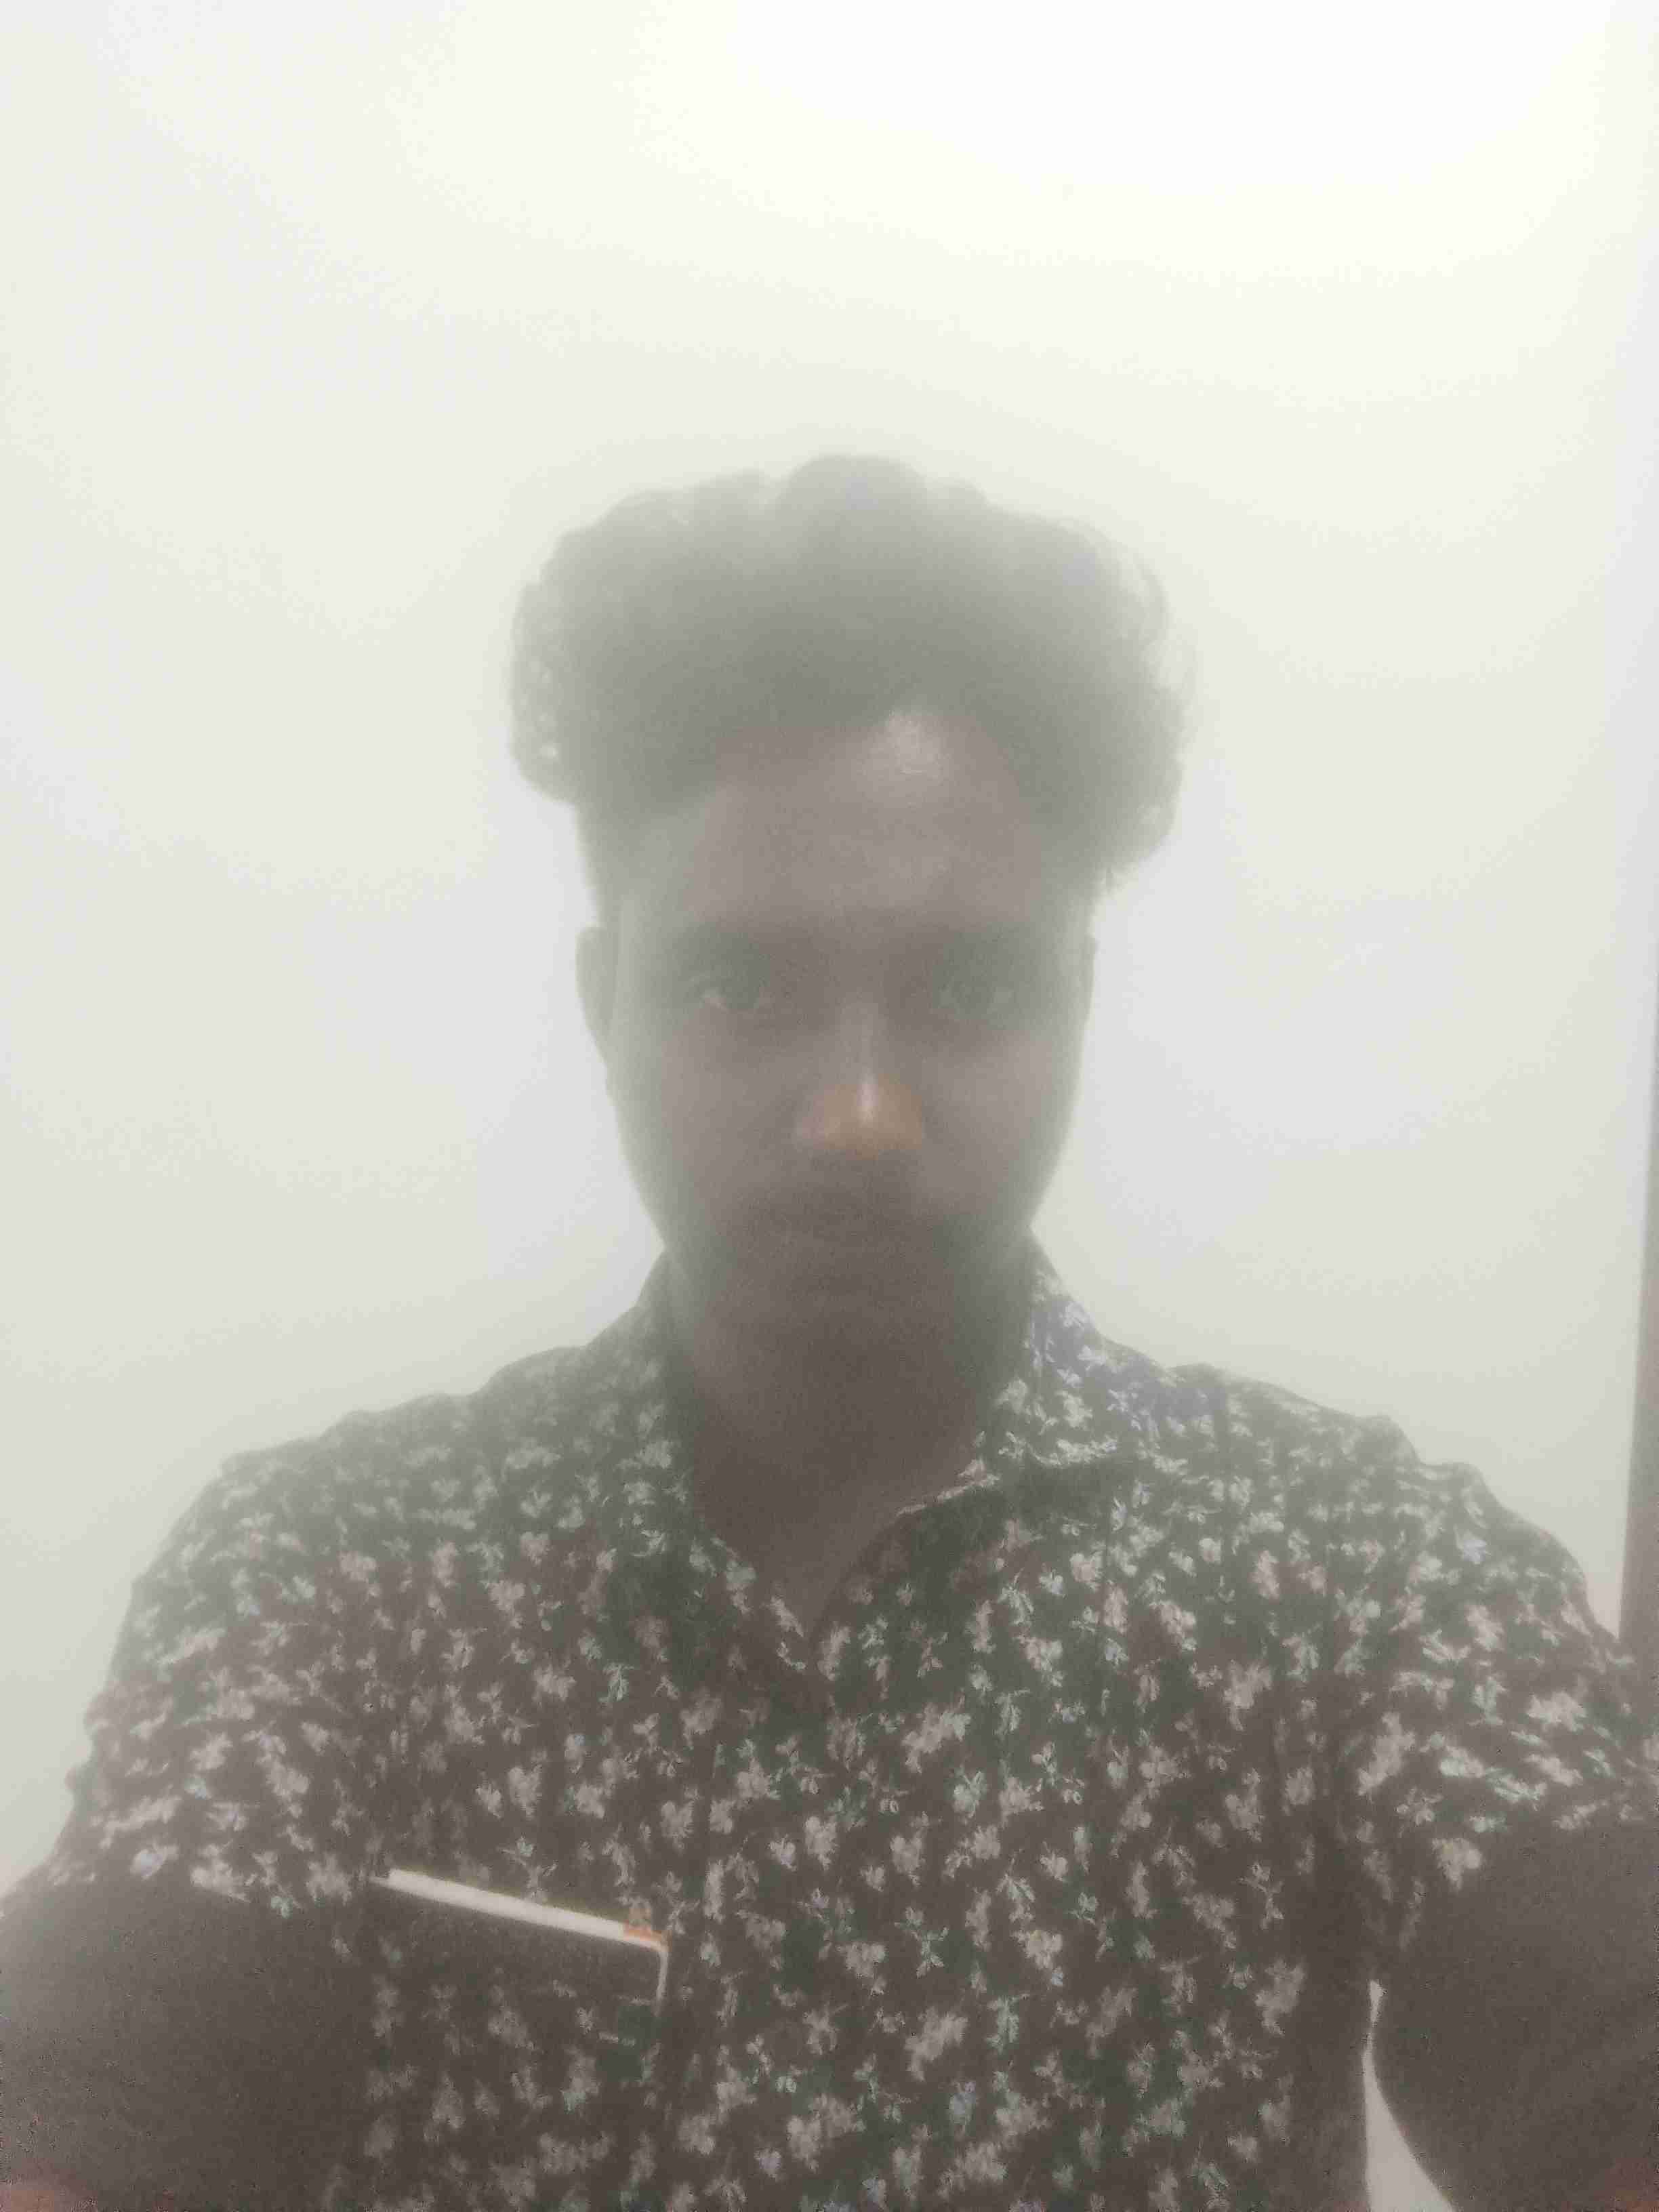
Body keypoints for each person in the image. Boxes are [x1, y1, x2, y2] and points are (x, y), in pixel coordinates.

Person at [2, 455, 1654, 2212]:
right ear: (605, 1004)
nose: (860, 1110)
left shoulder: (1356, 1572)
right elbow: (113, 2080)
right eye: (739, 984)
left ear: (1079, 1006)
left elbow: (1604, 2033)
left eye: (970, 987)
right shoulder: (329, 1578)